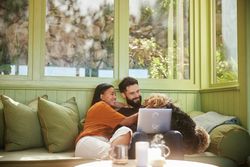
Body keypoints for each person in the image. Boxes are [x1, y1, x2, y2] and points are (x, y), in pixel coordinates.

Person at [117, 77, 184, 160]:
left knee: (175, 134)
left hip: (159, 139)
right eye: (132, 93)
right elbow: (121, 131)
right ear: (123, 95)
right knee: (139, 135)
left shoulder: (150, 107)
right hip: (139, 140)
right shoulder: (120, 112)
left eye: (138, 91)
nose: (137, 95)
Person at [75, 83, 138, 160]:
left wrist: (121, 105)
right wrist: (143, 111)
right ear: (101, 96)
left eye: (115, 95)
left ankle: (115, 157)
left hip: (103, 143)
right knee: (117, 153)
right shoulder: (101, 105)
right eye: (112, 94)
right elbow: (127, 121)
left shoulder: (106, 108)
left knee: (125, 130)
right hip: (88, 142)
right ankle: (116, 157)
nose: (115, 97)